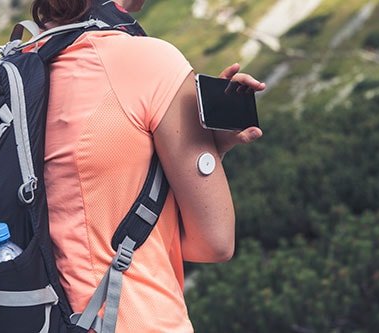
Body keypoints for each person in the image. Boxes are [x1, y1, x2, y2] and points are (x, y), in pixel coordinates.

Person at [31, 0, 266, 331]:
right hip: (133, 317)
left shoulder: (25, 63)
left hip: (41, 316)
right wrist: (210, 152)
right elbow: (215, 242)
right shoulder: (150, 62)